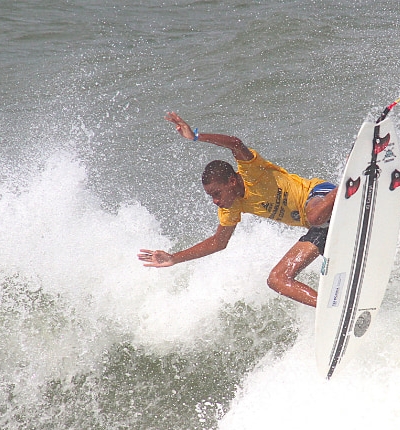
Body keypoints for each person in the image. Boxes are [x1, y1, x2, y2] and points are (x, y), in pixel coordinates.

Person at [138, 112, 338, 307]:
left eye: (217, 193)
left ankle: (354, 182)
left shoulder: (251, 171)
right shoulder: (231, 206)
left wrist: (196, 136)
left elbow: (235, 143)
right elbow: (218, 242)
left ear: (232, 182)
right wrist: (174, 258)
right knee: (277, 279)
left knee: (314, 216)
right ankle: (332, 308)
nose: (215, 201)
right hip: (320, 228)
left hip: (320, 196)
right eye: (211, 196)